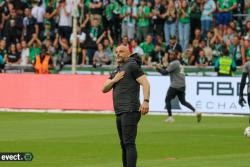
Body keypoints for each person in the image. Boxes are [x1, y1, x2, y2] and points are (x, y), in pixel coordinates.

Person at [102, 45, 150, 167]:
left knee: (128, 143)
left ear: (128, 54)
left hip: (130, 109)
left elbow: (145, 82)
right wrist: (114, 80)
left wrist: (145, 101)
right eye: (116, 52)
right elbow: (104, 88)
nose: (118, 54)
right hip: (120, 111)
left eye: (121, 51)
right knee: (124, 144)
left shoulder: (131, 65)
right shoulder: (117, 70)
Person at [155, 51, 202, 123]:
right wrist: (162, 66)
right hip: (182, 85)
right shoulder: (178, 63)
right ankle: (196, 112)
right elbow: (168, 68)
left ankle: (170, 117)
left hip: (175, 85)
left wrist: (157, 69)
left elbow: (164, 72)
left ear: (176, 56)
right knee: (183, 102)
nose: (170, 56)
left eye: (172, 55)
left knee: (167, 100)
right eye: (170, 54)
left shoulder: (174, 63)